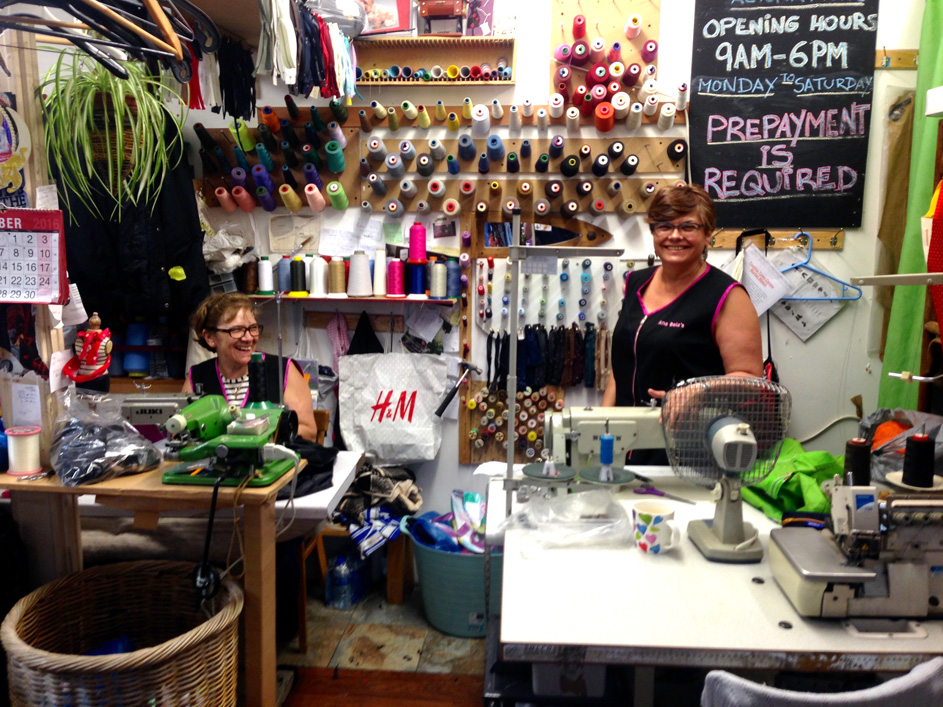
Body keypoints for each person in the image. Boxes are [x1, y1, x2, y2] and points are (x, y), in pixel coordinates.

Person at [601, 184, 762, 463]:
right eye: (664, 226)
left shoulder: (726, 296)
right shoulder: (636, 283)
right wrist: (602, 423)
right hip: (624, 442)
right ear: (653, 231)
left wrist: (700, 390)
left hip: (687, 450)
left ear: (707, 233)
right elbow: (623, 362)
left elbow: (751, 379)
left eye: (688, 227)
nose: (675, 236)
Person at [183, 292, 318, 441]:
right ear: (209, 337)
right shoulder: (197, 377)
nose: (248, 338)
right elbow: (180, 431)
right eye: (236, 330)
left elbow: (308, 431)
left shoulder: (282, 370)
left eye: (252, 328)